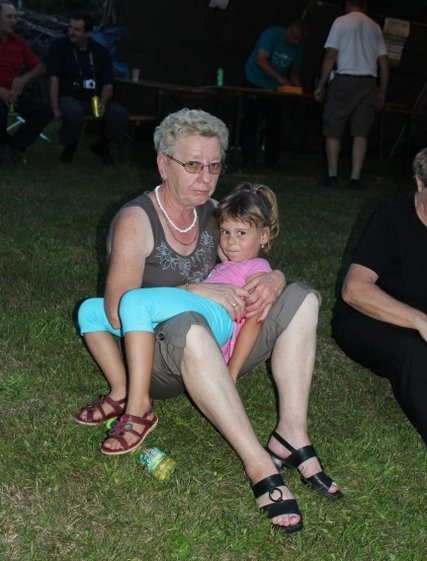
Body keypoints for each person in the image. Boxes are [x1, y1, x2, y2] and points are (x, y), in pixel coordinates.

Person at [73, 108, 342, 534]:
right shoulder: (136, 220)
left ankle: (292, 434)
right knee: (188, 324)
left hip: (220, 345)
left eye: (214, 166)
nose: (205, 178)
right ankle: (258, 464)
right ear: (164, 164)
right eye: (193, 165)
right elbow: (114, 310)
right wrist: (193, 291)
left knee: (303, 298)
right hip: (159, 358)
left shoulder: (215, 213)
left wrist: (274, 278)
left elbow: (247, 255)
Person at [76, 182, 278, 454]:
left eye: (241, 233)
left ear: (264, 235)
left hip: (218, 321)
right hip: (196, 311)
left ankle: (139, 408)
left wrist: (231, 372)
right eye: (226, 232)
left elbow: (256, 319)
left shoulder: (257, 267)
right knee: (89, 311)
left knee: (134, 301)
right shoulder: (230, 258)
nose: (231, 241)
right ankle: (121, 391)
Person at [332, 147, 427, 444]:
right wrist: (419, 320)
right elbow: (354, 289)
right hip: (368, 317)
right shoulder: (392, 215)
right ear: (420, 183)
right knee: (413, 351)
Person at [314, 1, 389, 189]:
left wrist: (321, 84)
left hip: (344, 79)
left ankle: (332, 175)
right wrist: (382, 90)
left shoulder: (341, 22)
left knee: (333, 128)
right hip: (369, 82)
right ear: (365, 5)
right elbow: (384, 63)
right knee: (360, 132)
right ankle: (355, 178)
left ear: (347, 4)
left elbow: (331, 55)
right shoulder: (375, 26)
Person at [46, 10, 129, 165]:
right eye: (70, 27)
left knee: (120, 114)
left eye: (77, 29)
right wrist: (54, 106)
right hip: (69, 97)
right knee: (74, 112)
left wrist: (103, 102)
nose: (71, 32)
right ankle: (70, 145)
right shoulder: (59, 46)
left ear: (88, 33)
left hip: (94, 99)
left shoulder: (100, 52)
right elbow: (54, 78)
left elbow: (108, 84)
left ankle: (102, 146)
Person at [240, 17, 306, 168]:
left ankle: (272, 161)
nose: (296, 42)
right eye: (294, 37)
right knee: (250, 119)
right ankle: (249, 158)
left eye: (299, 39)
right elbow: (260, 60)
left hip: (274, 87)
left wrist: (296, 81)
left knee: (274, 122)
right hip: (254, 79)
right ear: (287, 30)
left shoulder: (299, 45)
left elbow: (295, 69)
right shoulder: (271, 34)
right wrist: (279, 78)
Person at [0, 1, 53, 164]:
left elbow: (41, 67)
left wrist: (24, 78)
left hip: (13, 94)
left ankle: (11, 146)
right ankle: (4, 150)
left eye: (15, 17)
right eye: (9, 17)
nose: (13, 21)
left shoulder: (18, 42)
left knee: (44, 112)